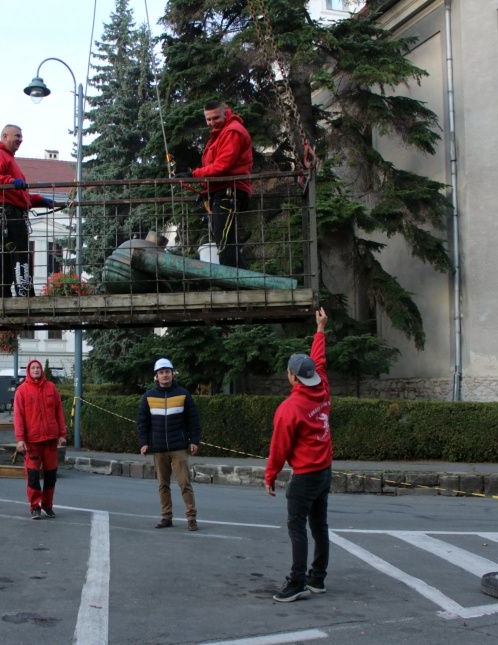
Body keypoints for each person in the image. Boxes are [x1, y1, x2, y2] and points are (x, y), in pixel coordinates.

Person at [265, 308, 332, 602]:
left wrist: (270, 475)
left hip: (305, 476)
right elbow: (319, 359)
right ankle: (318, 578)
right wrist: (320, 329)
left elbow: (279, 448)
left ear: (292, 376)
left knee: (297, 527)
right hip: (324, 471)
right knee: (319, 526)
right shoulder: (323, 387)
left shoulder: (289, 409)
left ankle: (297, 581)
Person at [176, 100, 253, 269]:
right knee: (224, 242)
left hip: (230, 192)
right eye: (208, 119)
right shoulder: (222, 133)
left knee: (225, 244)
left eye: (215, 118)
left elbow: (222, 166)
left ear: (225, 113)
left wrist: (193, 174)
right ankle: (240, 280)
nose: (212, 122)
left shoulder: (232, 132)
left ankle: (237, 281)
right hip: (223, 191)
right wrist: (206, 191)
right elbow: (219, 167)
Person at [0, 124, 56, 298]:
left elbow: (18, 194)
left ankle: (4, 293)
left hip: (10, 212)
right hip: (8, 213)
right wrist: (11, 181)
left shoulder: (7, 158)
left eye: (21, 137)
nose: (20, 140)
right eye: (17, 136)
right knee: (18, 255)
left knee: (9, 255)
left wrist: (38, 200)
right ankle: (23, 294)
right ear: (4, 136)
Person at [137, 358, 200, 531]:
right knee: (163, 485)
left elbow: (193, 419)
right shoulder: (148, 396)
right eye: (161, 372)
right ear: (156, 376)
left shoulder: (183, 394)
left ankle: (191, 518)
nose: (165, 375)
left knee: (184, 483)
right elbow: (142, 422)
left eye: (167, 372)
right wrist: (144, 443)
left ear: (172, 374)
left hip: (179, 447)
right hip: (158, 448)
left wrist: (194, 441)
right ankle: (166, 517)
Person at [14, 359, 67, 519]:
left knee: (51, 476)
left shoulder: (51, 387)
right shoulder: (22, 391)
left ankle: (47, 506)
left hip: (50, 440)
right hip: (32, 442)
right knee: (33, 476)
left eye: (38, 368)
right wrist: (20, 439)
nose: (36, 370)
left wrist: (62, 435)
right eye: (33, 368)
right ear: (28, 371)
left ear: (42, 370)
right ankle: (35, 506)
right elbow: (18, 416)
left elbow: (59, 412)